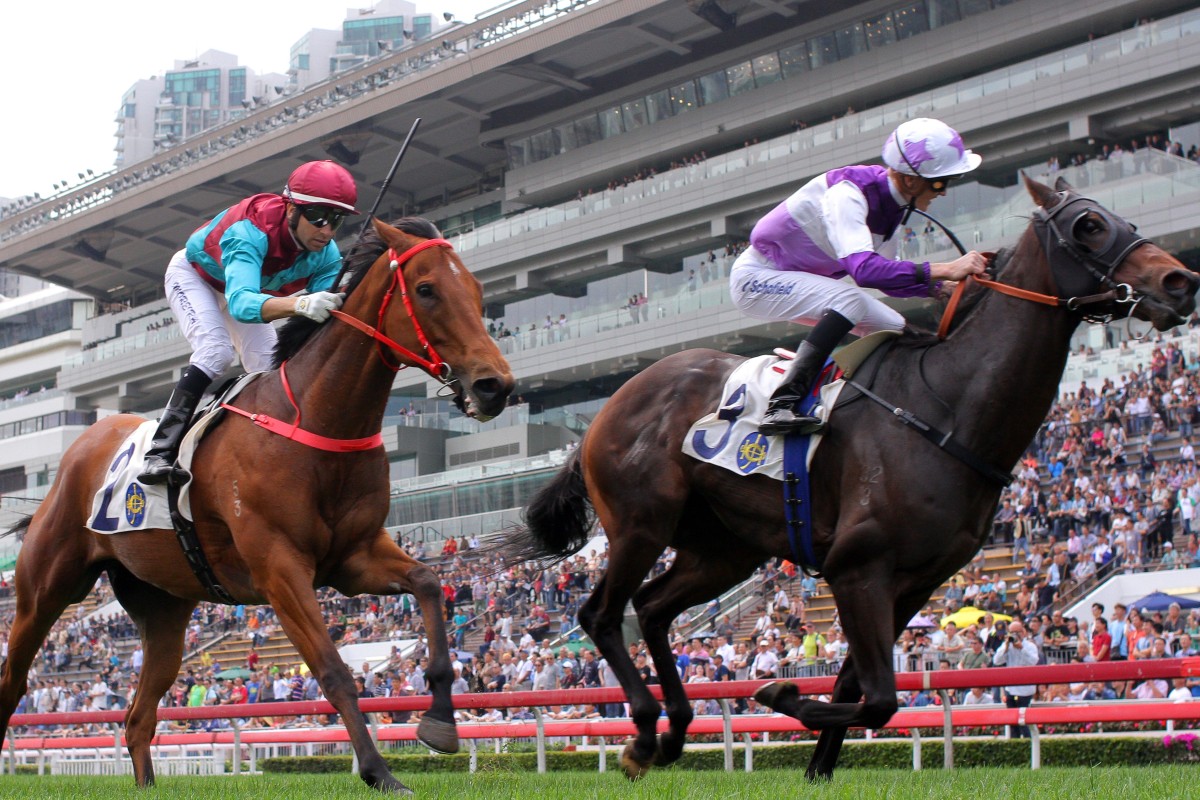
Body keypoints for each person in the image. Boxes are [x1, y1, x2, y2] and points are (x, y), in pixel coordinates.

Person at [729, 118, 987, 435]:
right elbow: (864, 272)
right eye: (939, 183)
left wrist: (938, 288)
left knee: (893, 327)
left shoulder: (893, 207)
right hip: (756, 278)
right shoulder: (848, 194)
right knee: (848, 299)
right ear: (909, 181)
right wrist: (946, 268)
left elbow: (886, 277)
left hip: (785, 277)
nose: (944, 192)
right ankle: (781, 405)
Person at [138, 160, 359, 483]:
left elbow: (328, 312)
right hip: (196, 277)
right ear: (290, 208)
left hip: (244, 290)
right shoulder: (250, 232)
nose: (326, 230)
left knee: (269, 368)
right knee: (216, 351)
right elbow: (242, 304)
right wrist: (301, 304)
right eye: (318, 217)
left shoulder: (327, 253)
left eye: (336, 220)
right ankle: (160, 451)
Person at [992, 620, 1039, 738]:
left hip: (1025, 690)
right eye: (1011, 632)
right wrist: (1006, 647)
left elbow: (1033, 662)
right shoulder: (1006, 645)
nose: (1014, 635)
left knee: (1024, 722)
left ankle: (1029, 745)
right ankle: (1015, 746)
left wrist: (1021, 648)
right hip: (1011, 689)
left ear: (1022, 632)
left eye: (1016, 632)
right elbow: (996, 661)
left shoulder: (1030, 646)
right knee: (1012, 722)